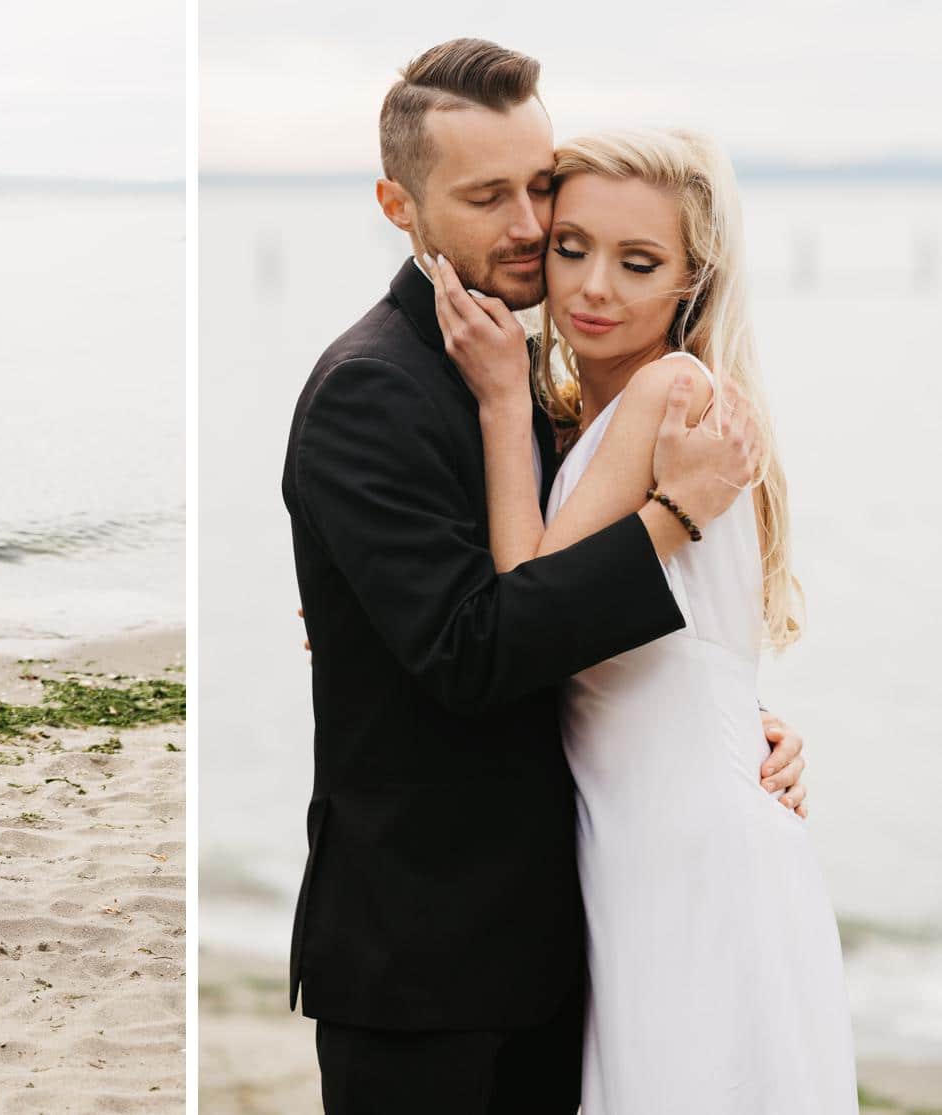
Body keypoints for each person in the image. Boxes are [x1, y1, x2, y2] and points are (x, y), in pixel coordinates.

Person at [282, 39, 811, 1113]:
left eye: (539, 187)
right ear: (400, 204)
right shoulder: (372, 388)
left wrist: (733, 709)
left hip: (562, 929)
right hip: (423, 952)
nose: (528, 226)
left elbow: (566, 597)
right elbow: (474, 646)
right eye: (488, 196)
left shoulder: (519, 370)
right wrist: (672, 518)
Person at [426, 126, 854, 1112]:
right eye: (572, 247)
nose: (594, 288)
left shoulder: (670, 391)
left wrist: (497, 398)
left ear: (693, 278)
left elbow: (527, 594)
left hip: (691, 851)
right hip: (648, 841)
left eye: (639, 261)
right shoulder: (609, 409)